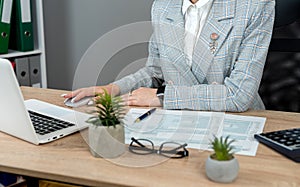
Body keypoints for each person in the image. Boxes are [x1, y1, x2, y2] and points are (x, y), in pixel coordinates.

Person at [63, 0, 275, 112]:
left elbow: (239, 95)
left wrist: (162, 98)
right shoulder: (163, 6)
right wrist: (113, 88)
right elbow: (155, 71)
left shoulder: (255, 5)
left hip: (236, 122)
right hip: (180, 120)